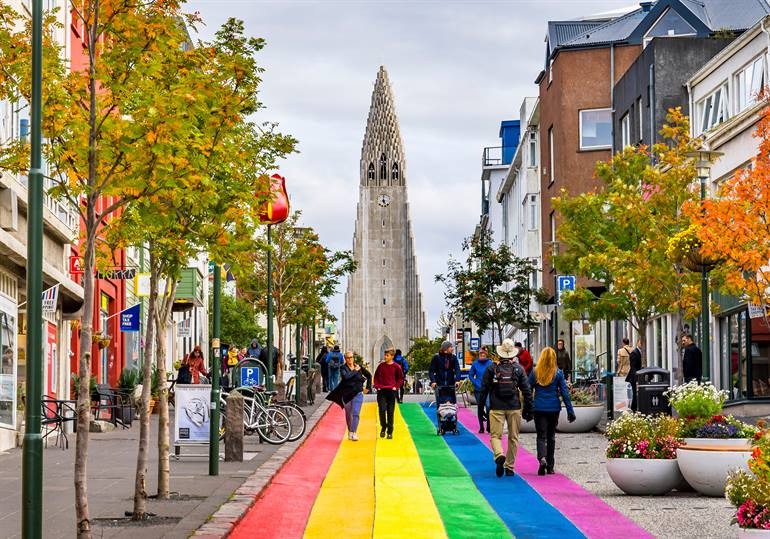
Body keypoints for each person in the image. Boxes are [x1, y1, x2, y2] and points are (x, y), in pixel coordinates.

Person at [481, 338, 532, 478]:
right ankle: (510, 467)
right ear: (513, 355)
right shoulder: (518, 369)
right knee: (513, 437)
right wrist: (529, 408)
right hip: (514, 406)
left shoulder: (492, 368)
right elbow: (527, 390)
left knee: (495, 435)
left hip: (496, 406)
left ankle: (499, 455)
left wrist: (481, 408)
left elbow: (483, 389)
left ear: (500, 353)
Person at [529, 346, 575, 476]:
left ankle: (541, 458)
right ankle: (550, 466)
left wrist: (528, 406)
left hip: (539, 407)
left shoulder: (535, 372)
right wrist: (570, 410)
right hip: (554, 408)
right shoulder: (558, 373)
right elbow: (565, 393)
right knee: (551, 436)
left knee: (541, 435)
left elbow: (527, 388)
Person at [327, 351, 372, 441]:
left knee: (356, 413)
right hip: (347, 394)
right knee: (348, 414)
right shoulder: (343, 368)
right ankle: (350, 430)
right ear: (345, 359)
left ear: (353, 358)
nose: (350, 359)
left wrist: (368, 387)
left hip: (358, 393)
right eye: (348, 358)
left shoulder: (359, 366)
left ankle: (353, 432)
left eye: (351, 357)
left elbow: (369, 375)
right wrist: (355, 371)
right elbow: (346, 377)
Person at [373, 347, 404, 439]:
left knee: (390, 412)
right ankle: (383, 427)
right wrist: (377, 386)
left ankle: (390, 431)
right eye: (385, 355)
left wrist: (396, 387)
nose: (385, 357)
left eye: (387, 355)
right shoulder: (381, 366)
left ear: (392, 356)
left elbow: (400, 378)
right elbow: (376, 377)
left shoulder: (396, 367)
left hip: (391, 391)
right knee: (382, 410)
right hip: (381, 391)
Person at [468, 347, 492, 433]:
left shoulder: (490, 363)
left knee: (489, 406)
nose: (482, 356)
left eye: (484, 354)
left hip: (488, 389)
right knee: (480, 407)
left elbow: (494, 374)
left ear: (486, 354)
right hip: (478, 389)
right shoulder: (475, 364)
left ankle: (489, 426)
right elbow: (470, 375)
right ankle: (481, 427)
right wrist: (475, 382)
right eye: (481, 354)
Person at [626, 339, 643, 412]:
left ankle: (634, 407)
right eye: (640, 342)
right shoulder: (634, 353)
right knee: (635, 393)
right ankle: (634, 409)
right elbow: (633, 367)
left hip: (637, 376)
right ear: (637, 342)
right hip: (634, 377)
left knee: (636, 393)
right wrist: (636, 377)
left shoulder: (640, 352)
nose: (642, 344)